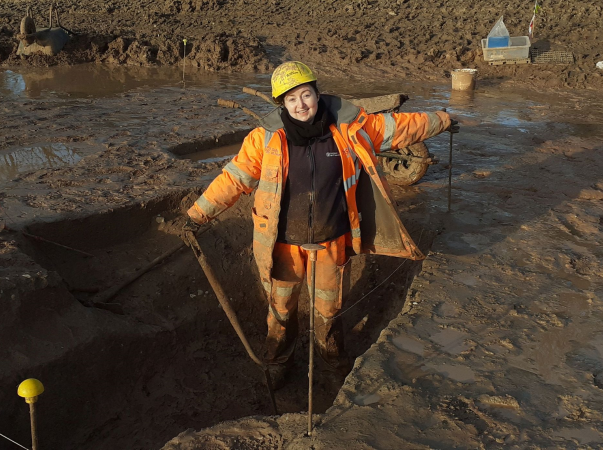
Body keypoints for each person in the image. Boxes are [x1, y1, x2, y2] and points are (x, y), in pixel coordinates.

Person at [185, 61, 457, 387]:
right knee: (281, 308)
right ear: (282, 105)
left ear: (317, 93)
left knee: (329, 309)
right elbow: (234, 178)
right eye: (291, 99)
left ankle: (331, 358)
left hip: (331, 242)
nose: (301, 105)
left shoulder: (348, 128)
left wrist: (443, 119)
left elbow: (397, 127)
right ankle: (277, 361)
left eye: (306, 94)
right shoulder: (265, 140)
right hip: (283, 245)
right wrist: (196, 216)